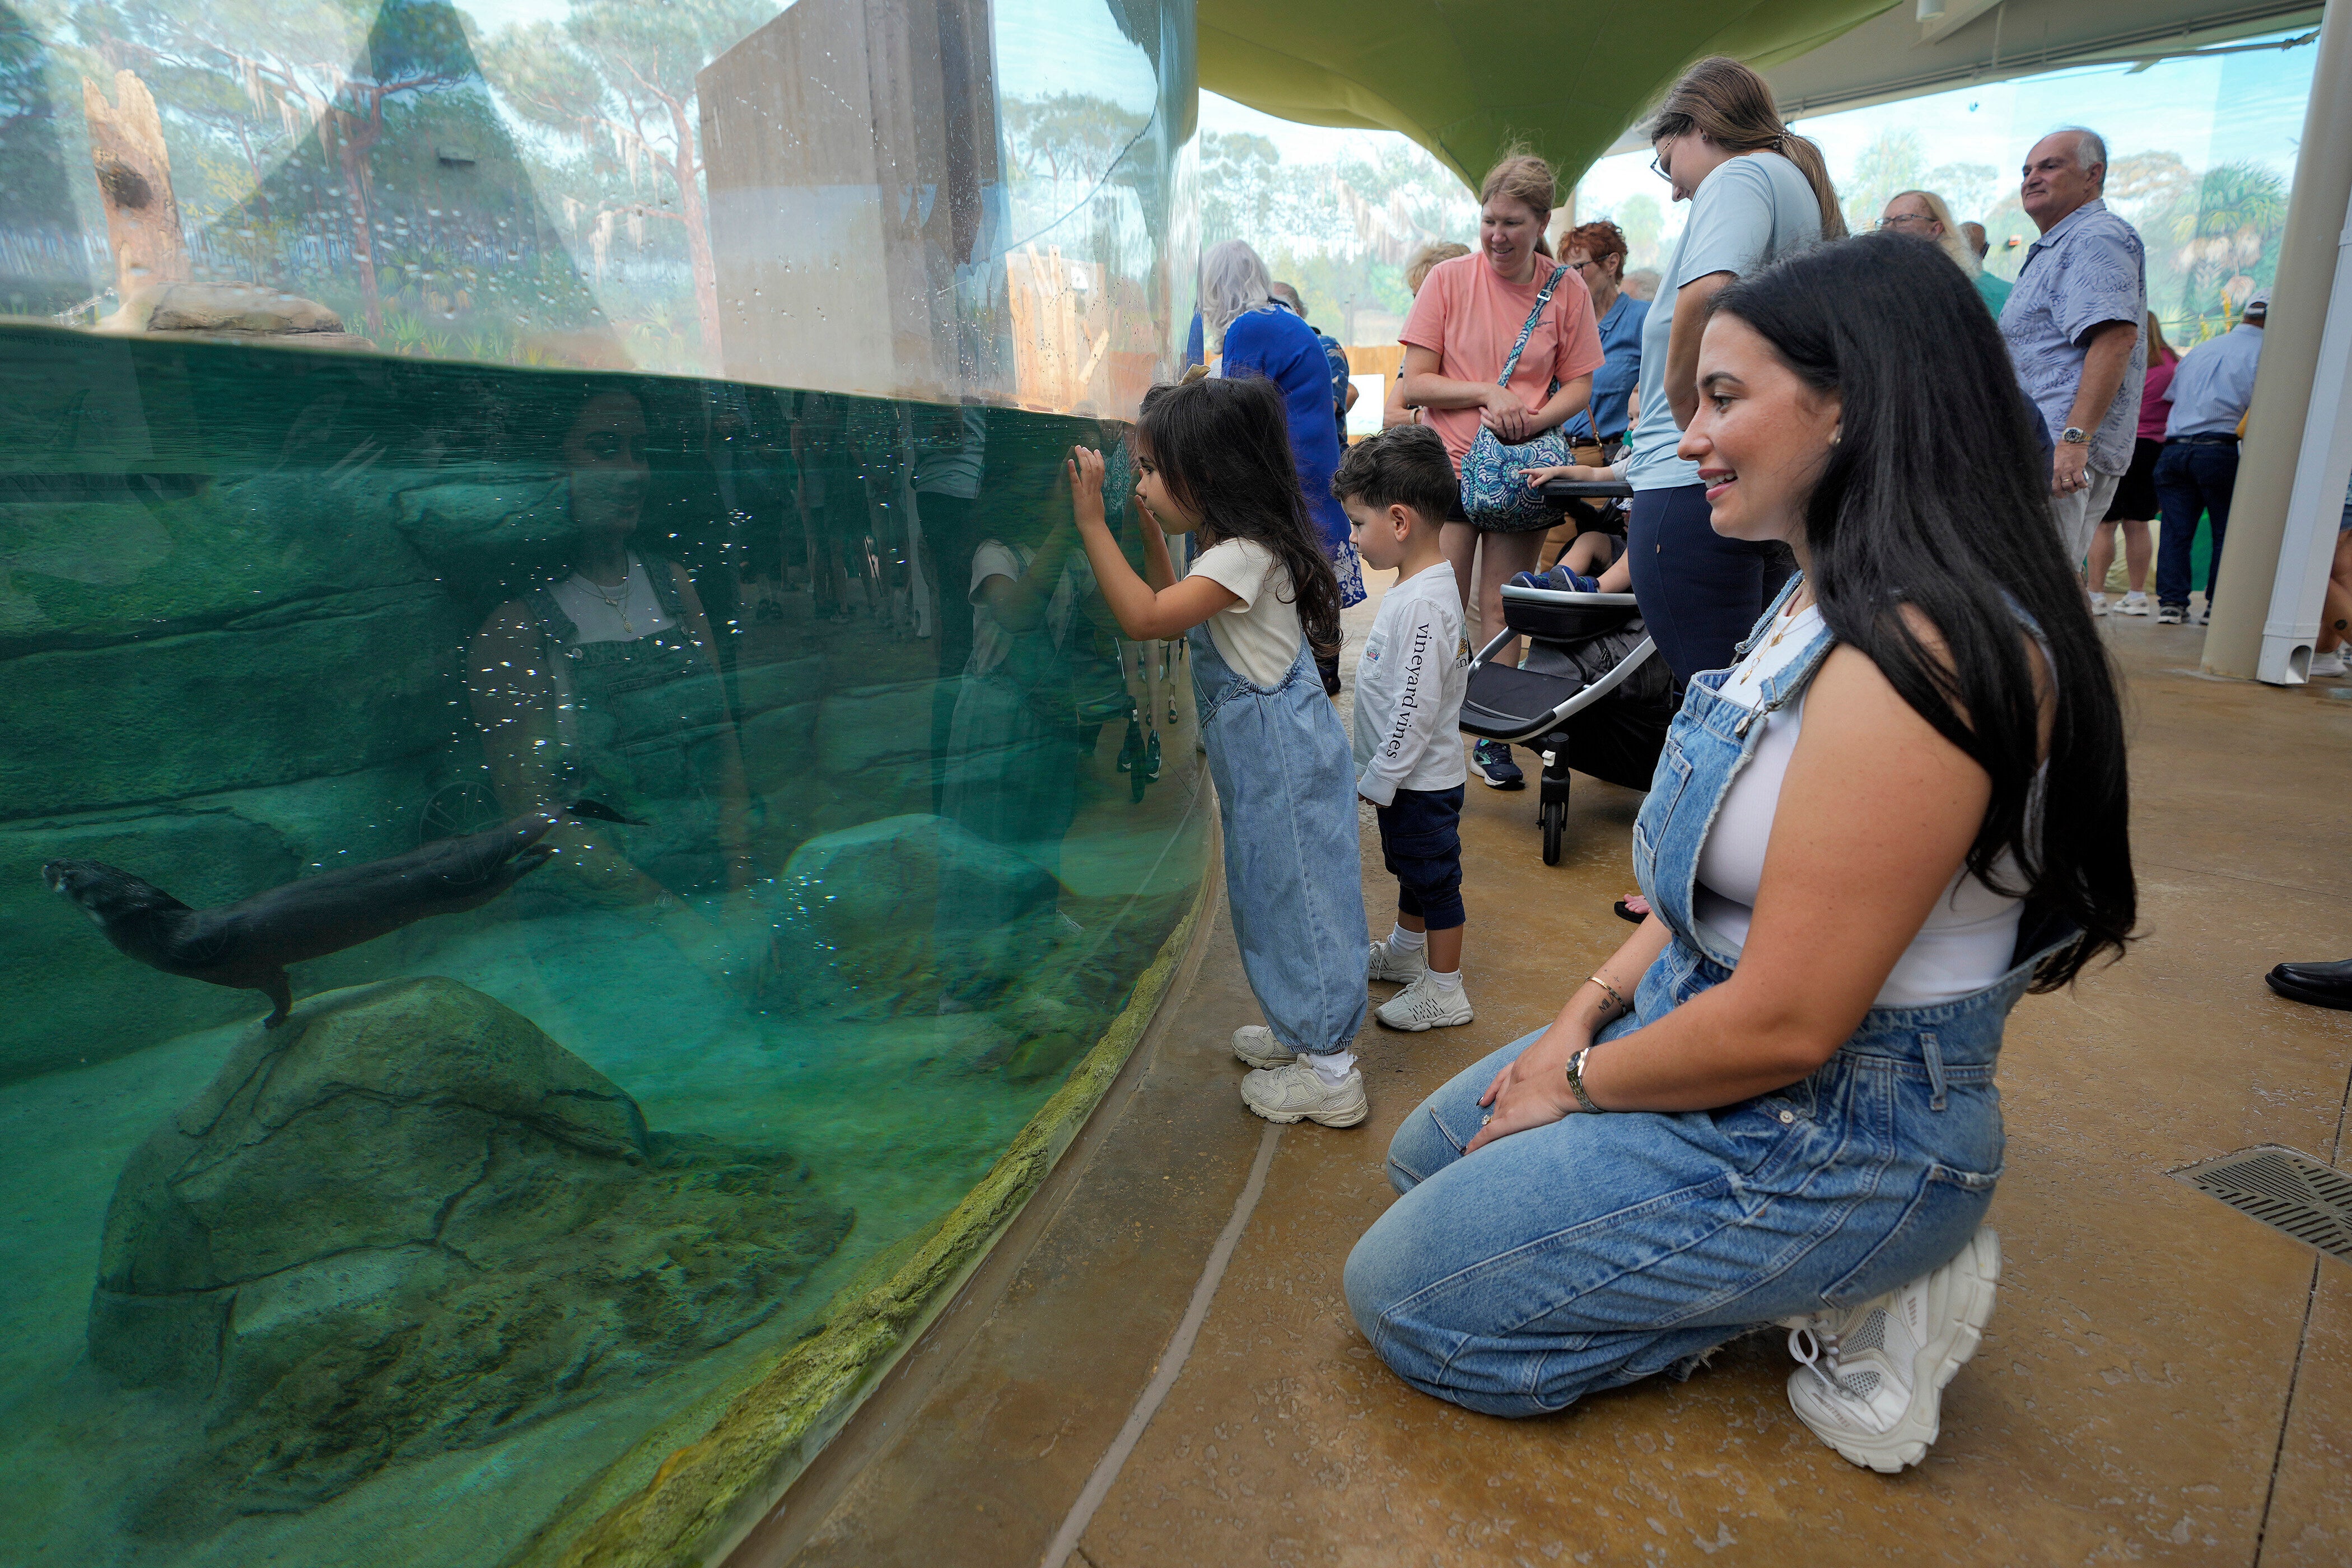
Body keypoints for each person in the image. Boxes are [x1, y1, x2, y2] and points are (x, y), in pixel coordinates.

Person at [1343, 235, 2135, 1472]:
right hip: (1694, 1011)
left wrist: (1580, 1086)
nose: (1688, 438)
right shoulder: (1813, 595)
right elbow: (1709, 882)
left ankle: (1865, 1275)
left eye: (1722, 400)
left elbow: (1790, 1023)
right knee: (1419, 1160)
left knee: (1408, 1299)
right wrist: (1576, 1020)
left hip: (1833, 1124)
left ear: (1854, 403)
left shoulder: (1924, 653)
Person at [1065, 376, 1370, 1128]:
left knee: (1299, 897)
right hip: (1269, 765)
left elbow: (1144, 618)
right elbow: (1172, 607)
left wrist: (1089, 523)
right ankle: (1303, 1032)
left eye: (1147, 469)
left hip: (1285, 765)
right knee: (1272, 892)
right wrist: (1143, 527)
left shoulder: (1243, 556)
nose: (1140, 481)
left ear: (1206, 475)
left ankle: (1332, 1071)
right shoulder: (1234, 551)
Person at [1576, 55, 1844, 689]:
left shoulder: (1741, 175)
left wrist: (1687, 410)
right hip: (1763, 475)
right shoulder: (1795, 185)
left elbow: (1707, 295)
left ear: (1700, 126)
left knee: (1712, 695)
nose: (1673, 189)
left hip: (1690, 484)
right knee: (1755, 686)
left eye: (1669, 165)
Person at [469, 385, 753, 910]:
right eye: (604, 448)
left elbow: (725, 753)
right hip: (597, 919)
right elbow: (538, 822)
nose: (631, 471)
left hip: (707, 884)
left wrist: (739, 882)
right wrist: (679, 927)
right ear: (552, 467)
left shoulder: (676, 586)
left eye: (638, 450)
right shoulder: (515, 629)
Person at [1399, 148, 1604, 787]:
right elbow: (1414, 385)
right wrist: (1489, 394)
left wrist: (1533, 420)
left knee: (1503, 602)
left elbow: (1580, 386)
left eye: (1513, 223)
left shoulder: (1565, 288)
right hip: (1450, 467)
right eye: (1489, 219)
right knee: (1441, 599)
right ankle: (1427, 727)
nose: (1496, 235)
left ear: (1541, 222)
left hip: (1520, 469)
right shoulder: (1450, 280)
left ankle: (1494, 732)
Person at [1336, 426, 1475, 1033]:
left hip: (1418, 779)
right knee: (1414, 872)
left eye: (1358, 524)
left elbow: (1413, 708)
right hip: (1412, 778)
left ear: (1398, 522)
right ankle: (1404, 952)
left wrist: (1380, 776)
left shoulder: (1423, 604)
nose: (1353, 536)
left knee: (1435, 880)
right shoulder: (1417, 587)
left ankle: (1445, 990)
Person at [1196, 241, 1366, 691]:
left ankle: (1300, 676)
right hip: (1312, 470)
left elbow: (1231, 411)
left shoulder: (1248, 328)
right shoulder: (1278, 318)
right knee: (1311, 571)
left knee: (1286, 575)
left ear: (1213, 287)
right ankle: (1319, 664)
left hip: (1291, 477)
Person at [1998, 128, 2146, 576]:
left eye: (2049, 166)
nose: (2032, 178)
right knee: (2039, 585)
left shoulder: (2095, 236)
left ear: (2092, 174)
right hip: (2042, 450)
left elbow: (2115, 338)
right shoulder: (2060, 243)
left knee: (2036, 587)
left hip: (2060, 456)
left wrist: (2074, 441)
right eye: (2026, 170)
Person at [2153, 291, 2266, 625]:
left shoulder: (2203, 349)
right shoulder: (2266, 352)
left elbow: (2174, 396)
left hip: (2174, 450)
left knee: (2176, 531)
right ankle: (2217, 607)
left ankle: (2172, 605)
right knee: (2225, 532)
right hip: (2221, 449)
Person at [1549, 219, 1649, 576]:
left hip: (1610, 465)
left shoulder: (1643, 321)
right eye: (1565, 268)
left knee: (1605, 567)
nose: (1571, 275)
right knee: (1551, 571)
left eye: (1580, 266)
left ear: (1611, 264)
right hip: (1559, 462)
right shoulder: (1564, 323)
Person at [2088, 312, 2174, 615]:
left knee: (2104, 524)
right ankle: (2137, 595)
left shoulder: (2123, 360)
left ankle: (2096, 595)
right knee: (2138, 524)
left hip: (2117, 444)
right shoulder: (2173, 365)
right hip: (2153, 449)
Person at [1878, 189, 2006, 317]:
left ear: (1935, 229)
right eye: (1885, 221)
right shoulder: (1875, 279)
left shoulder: (1957, 287)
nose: (1889, 227)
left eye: (1903, 219)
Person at [1384, 241, 1472, 429]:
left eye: (1427, 297)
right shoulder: (1419, 349)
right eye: (1416, 299)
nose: (1419, 309)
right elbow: (1390, 417)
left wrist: (1417, 417)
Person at [1270, 279, 1357, 449]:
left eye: (1273, 312)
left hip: (1323, 465)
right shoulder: (1269, 354)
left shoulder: (1325, 347)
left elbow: (1316, 414)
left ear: (1296, 314)